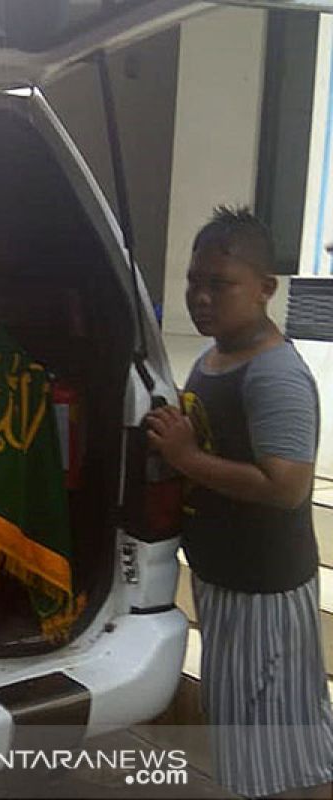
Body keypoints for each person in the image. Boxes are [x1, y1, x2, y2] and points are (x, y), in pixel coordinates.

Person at [146, 206, 333, 799]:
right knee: (245, 727)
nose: (201, 297)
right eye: (194, 282)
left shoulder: (274, 374)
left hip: (264, 587)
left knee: (269, 734)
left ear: (265, 289)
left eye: (219, 284)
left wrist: (187, 459)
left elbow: (287, 486)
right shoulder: (216, 357)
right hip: (227, 578)